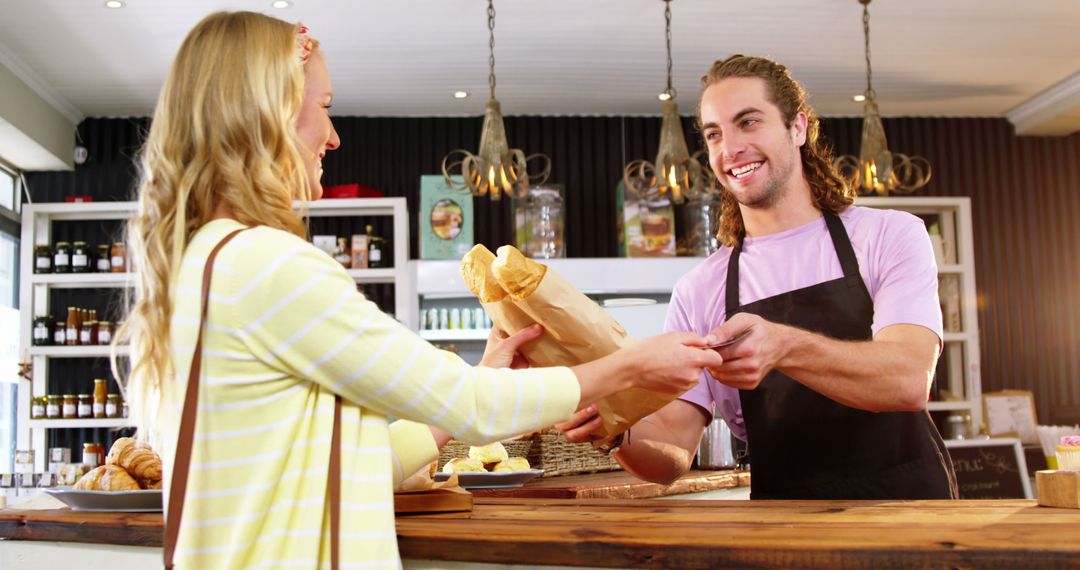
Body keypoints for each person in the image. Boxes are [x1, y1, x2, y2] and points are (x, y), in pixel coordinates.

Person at [114, 11, 725, 569]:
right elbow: (472, 404)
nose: (332, 136)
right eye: (323, 105)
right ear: (267, 112)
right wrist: (630, 363)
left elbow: (352, 464)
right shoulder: (267, 263)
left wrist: (488, 372)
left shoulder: (204, 261)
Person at [559, 54, 957, 500]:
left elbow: (906, 380)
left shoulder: (887, 235)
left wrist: (783, 345)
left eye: (748, 122)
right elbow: (673, 449)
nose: (729, 149)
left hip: (910, 517)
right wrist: (615, 432)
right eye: (714, 134)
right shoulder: (701, 289)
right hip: (783, 526)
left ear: (798, 128)